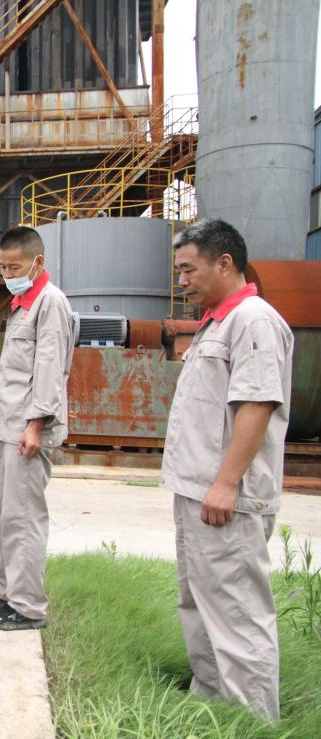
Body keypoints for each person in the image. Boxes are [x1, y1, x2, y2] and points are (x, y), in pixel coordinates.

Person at [163, 219, 293, 722]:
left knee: (237, 612)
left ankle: (252, 721)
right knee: (200, 602)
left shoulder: (253, 321)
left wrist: (226, 482)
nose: (182, 281)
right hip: (199, 491)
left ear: (224, 263)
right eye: (178, 272)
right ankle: (212, 704)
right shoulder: (217, 322)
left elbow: (256, 405)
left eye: (188, 270)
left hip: (226, 499)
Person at [0, 226, 73, 631]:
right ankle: (5, 587)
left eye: (14, 267)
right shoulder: (23, 303)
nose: (7, 273)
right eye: (2, 267)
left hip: (29, 429)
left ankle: (28, 606)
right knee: (3, 512)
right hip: (10, 426)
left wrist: (34, 425)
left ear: (38, 262)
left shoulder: (50, 303)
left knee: (24, 516)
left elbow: (49, 368)